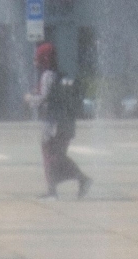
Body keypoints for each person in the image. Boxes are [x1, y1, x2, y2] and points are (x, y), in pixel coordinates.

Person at [24, 41, 92, 199]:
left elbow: (43, 98)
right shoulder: (58, 74)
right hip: (65, 123)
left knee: (53, 157)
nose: (35, 61)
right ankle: (55, 189)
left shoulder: (47, 75)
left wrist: (29, 99)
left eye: (38, 57)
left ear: (44, 58)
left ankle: (80, 180)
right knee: (54, 157)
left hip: (54, 125)